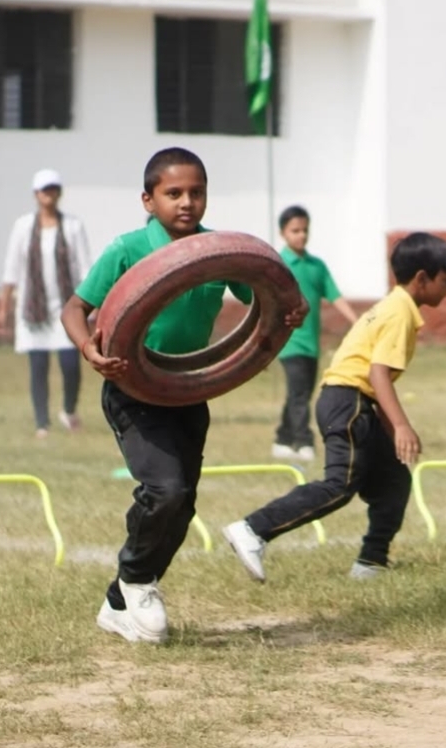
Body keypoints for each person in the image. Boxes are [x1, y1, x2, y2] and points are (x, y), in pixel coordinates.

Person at [60, 147, 307, 644]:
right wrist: (88, 346)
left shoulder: (216, 251)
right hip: (132, 387)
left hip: (189, 390)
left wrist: (288, 309)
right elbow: (75, 306)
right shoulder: (128, 249)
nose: (186, 202)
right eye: (174, 193)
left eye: (196, 192)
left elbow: (263, 290)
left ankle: (119, 600)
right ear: (148, 200)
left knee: (182, 502)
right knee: (166, 491)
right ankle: (136, 582)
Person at [223, 232, 446, 583]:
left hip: (351, 400)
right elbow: (377, 374)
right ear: (422, 278)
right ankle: (252, 529)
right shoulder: (400, 314)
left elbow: (374, 379)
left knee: (393, 481)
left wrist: (391, 430)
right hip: (347, 400)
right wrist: (403, 425)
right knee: (339, 485)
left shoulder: (393, 306)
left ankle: (371, 564)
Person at [0, 169, 92, 438]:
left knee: (71, 364)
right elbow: (11, 269)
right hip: (33, 309)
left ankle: (68, 410)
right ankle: (41, 423)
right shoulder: (23, 226)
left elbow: (85, 270)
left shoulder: (73, 226)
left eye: (53, 189)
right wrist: (3, 308)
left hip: (66, 307)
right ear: (36, 194)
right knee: (38, 367)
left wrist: (91, 306)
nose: (49, 194)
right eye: (44, 190)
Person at [271, 205, 359, 462]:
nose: (301, 235)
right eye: (295, 230)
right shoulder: (277, 264)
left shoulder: (316, 266)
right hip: (288, 343)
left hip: (311, 343)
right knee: (300, 394)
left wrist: (357, 321)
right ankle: (303, 442)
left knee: (301, 393)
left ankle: (282, 438)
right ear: (283, 233)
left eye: (304, 230)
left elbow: (334, 295)